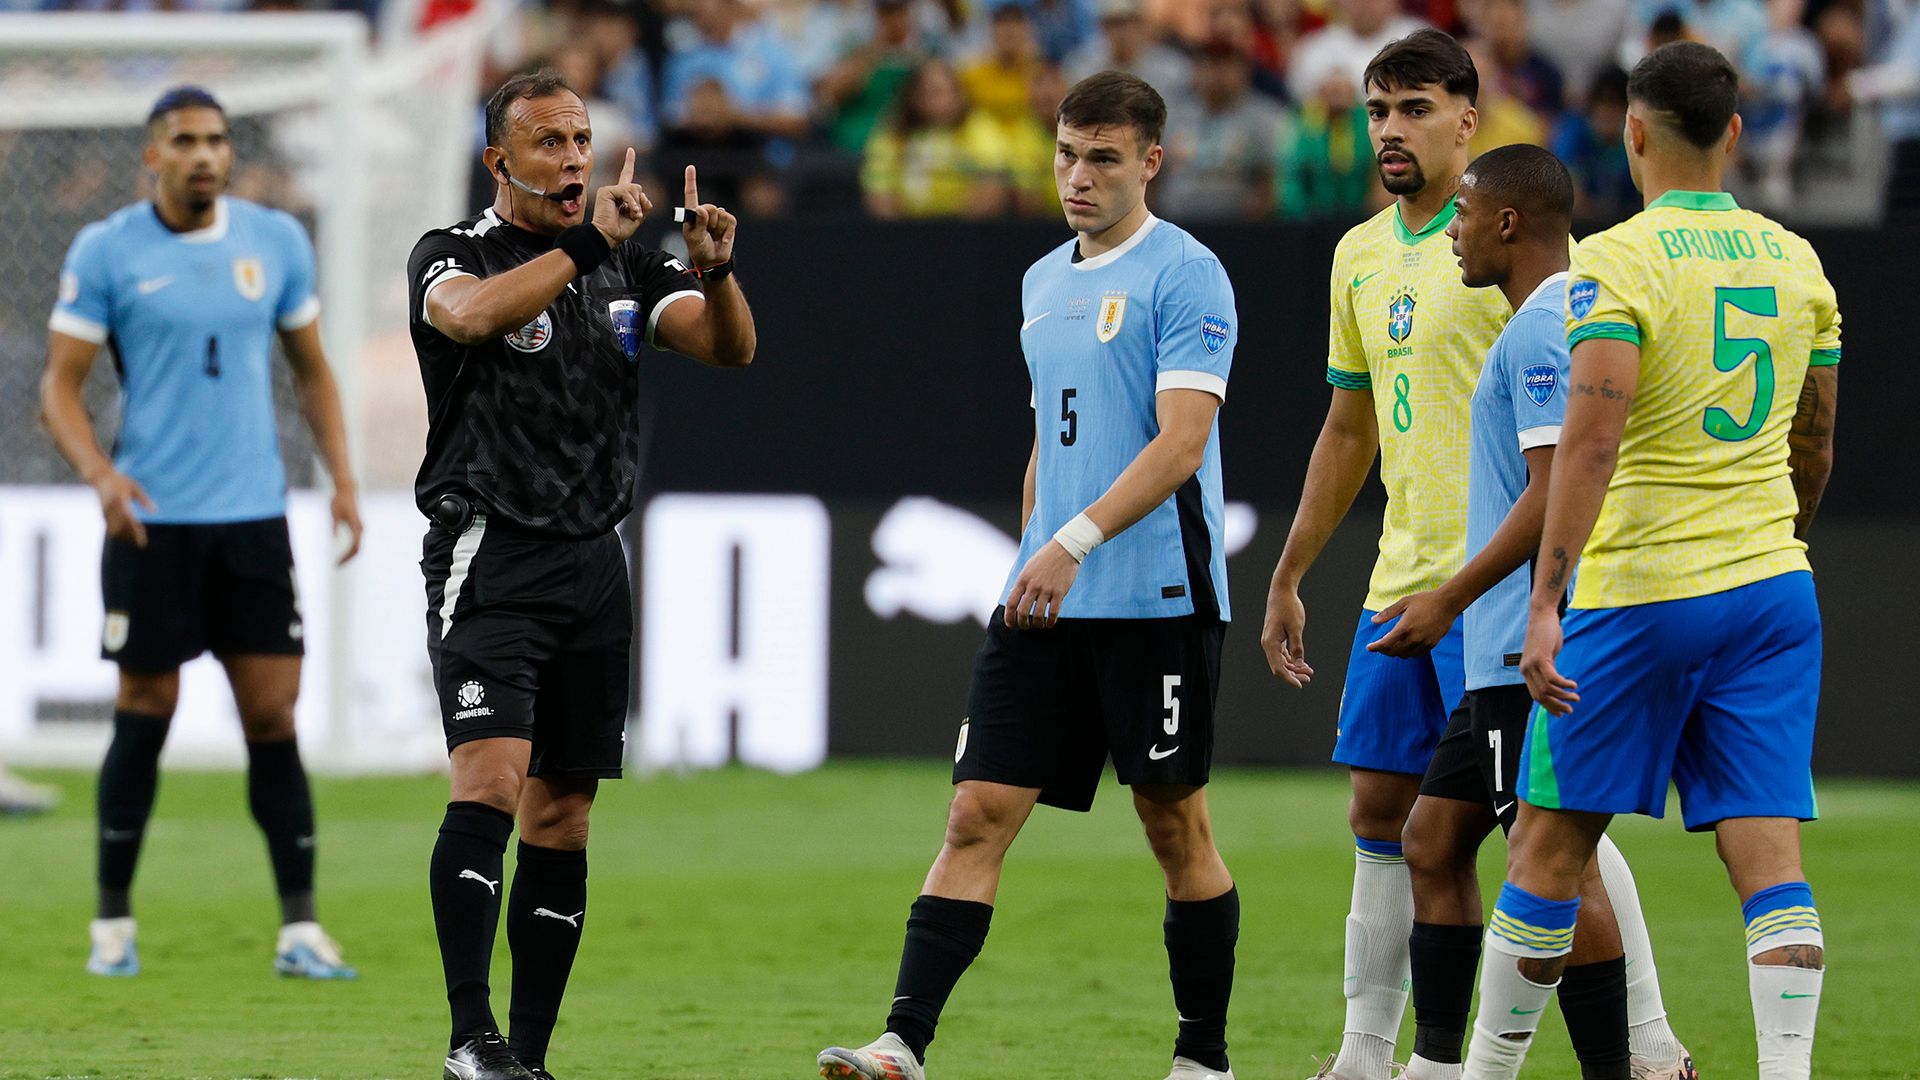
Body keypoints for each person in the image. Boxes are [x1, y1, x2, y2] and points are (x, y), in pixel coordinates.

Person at [817, 69, 1242, 1080]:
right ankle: (901, 1044)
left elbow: (1181, 444)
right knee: (975, 814)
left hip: (1157, 598)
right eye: (1066, 155)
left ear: (1151, 160)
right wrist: (1032, 549)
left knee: (1173, 824)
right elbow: (1052, 442)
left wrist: (1073, 542)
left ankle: (1204, 1059)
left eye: (1102, 158)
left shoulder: (1188, 274)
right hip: (1046, 599)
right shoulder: (1041, 280)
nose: (1079, 177)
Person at [1467, 41, 1840, 1080]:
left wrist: (1546, 604)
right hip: (1771, 586)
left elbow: (1587, 444)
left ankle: (1485, 1074)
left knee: (1546, 851)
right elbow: (1815, 440)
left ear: (1631, 133)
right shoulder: (1797, 261)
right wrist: (1776, 533)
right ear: (1732, 132)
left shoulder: (1617, 265)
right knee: (1771, 867)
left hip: (1638, 595)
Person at [408, 69, 756, 1080]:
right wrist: (588, 243)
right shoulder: (452, 254)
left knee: (563, 811)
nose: (571, 159)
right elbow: (471, 318)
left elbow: (729, 351)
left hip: (596, 562)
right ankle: (471, 1039)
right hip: (491, 551)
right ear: (498, 160)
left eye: (581, 139)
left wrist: (718, 271)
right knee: (491, 779)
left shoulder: (634, 270)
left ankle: (530, 1055)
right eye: (549, 142)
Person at [1379, 143, 1695, 1080]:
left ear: (1508, 223)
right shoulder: (1542, 318)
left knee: (1557, 864)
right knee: (1431, 841)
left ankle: (1630, 1060)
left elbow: (1553, 490)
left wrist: (1450, 596)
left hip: (1527, 644)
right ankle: (1437, 1066)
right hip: (1493, 655)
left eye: (1466, 214)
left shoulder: (1555, 318)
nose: (1453, 233)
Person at [39, 85, 363, 983]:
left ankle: (300, 928)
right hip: (154, 526)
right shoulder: (107, 250)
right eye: (184, 141)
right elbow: (59, 387)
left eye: (216, 140)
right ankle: (112, 922)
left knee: (273, 715)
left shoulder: (275, 241)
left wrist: (341, 479)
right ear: (153, 155)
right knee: (146, 711)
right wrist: (101, 475)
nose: (204, 155)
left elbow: (313, 373)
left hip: (253, 520)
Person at [1257, 31, 1509, 1080]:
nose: (1390, 130)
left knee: (1539, 820)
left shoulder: (1510, 235)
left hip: (1494, 580)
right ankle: (1366, 1052)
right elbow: (1349, 426)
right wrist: (1289, 572)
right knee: (1377, 810)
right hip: (1400, 578)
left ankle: (1647, 1038)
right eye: (1376, 110)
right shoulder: (1357, 252)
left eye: (1413, 109)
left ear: (1468, 118)